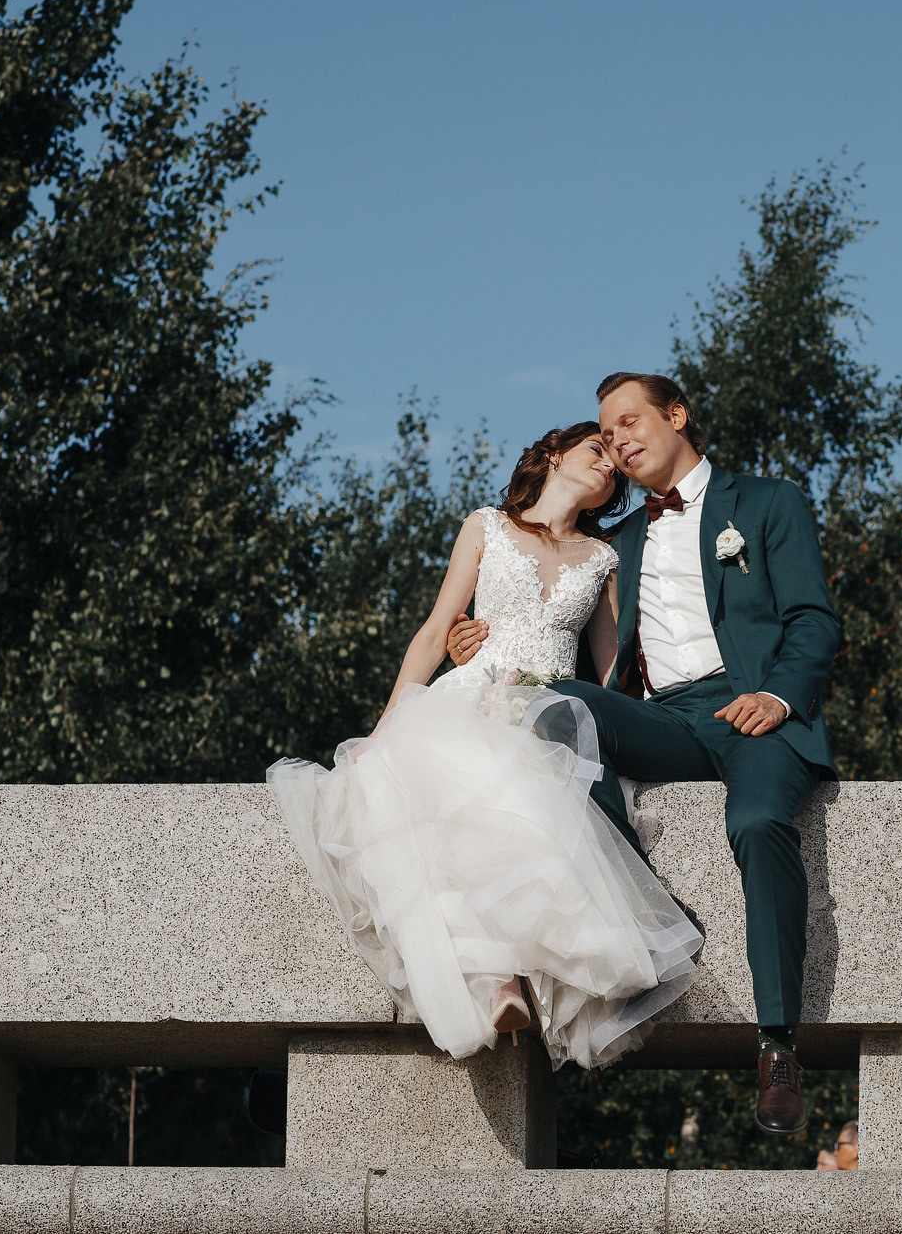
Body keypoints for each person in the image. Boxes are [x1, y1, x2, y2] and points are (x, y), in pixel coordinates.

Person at [449, 372, 839, 1135]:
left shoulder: (767, 503)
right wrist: (475, 637)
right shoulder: (614, 545)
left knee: (759, 822)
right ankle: (646, 905)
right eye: (607, 432)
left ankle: (778, 1046)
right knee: (551, 701)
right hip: (665, 715)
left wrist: (779, 697)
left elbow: (812, 622)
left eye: (629, 421)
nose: (619, 440)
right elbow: (566, 627)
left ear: (678, 415)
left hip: (754, 707)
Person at [268, 422, 702, 1070]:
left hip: (548, 709)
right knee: (458, 794)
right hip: (473, 695)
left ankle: (513, 974)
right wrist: (384, 728)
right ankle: (496, 978)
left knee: (526, 812)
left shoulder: (604, 557)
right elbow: (436, 629)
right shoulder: (486, 527)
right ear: (553, 453)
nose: (608, 468)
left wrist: (622, 741)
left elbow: (612, 677)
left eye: (615, 465)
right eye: (596, 451)